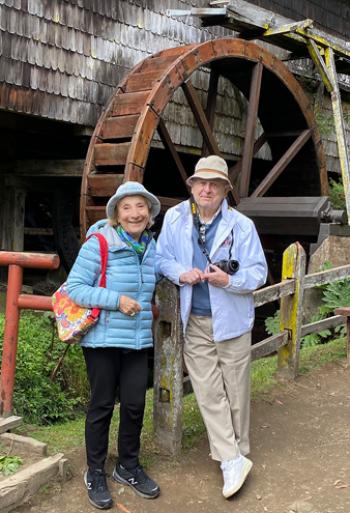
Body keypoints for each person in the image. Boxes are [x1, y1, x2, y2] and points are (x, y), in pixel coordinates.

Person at [156, 155, 267, 499]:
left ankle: (238, 451)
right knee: (207, 390)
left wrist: (229, 280)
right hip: (195, 319)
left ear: (224, 191)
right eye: (200, 183)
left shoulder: (242, 226)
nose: (206, 188)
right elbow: (161, 258)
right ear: (191, 187)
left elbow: (258, 272)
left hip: (231, 320)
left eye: (214, 184)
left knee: (235, 389)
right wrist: (179, 272)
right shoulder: (174, 218)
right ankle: (231, 459)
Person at [66, 181, 161, 509]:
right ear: (117, 215)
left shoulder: (150, 246)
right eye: (127, 207)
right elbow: (75, 288)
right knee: (102, 405)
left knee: (135, 404)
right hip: (102, 340)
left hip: (137, 340)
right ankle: (95, 471)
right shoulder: (99, 243)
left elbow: (161, 276)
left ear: (149, 213)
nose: (135, 213)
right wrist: (116, 300)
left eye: (141, 207)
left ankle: (128, 467)